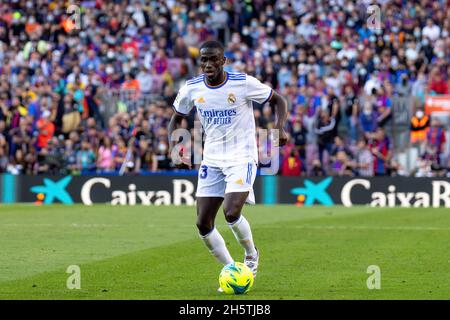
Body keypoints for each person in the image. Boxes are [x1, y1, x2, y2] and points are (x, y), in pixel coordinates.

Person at [168, 41, 287, 291]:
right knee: (203, 224)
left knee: (231, 213)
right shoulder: (191, 88)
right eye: (204, 60)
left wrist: (280, 127)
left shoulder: (242, 83)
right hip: (212, 159)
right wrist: (176, 148)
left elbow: (278, 100)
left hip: (241, 157)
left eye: (213, 59)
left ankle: (251, 256)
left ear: (224, 61)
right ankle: (232, 270)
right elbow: (177, 118)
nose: (208, 64)